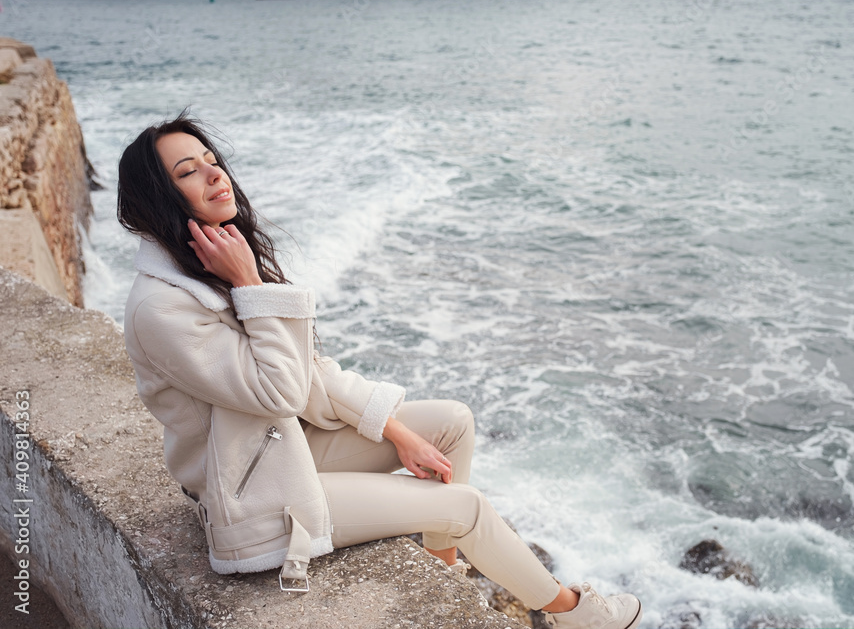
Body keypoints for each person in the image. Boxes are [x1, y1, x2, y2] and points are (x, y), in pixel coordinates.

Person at [116, 111, 642, 629]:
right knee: (467, 507)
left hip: (280, 447)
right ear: (159, 196)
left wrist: (395, 431)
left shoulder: (204, 263)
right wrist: (251, 286)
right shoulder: (161, 309)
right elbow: (280, 390)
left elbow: (311, 375)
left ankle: (441, 577)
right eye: (188, 171)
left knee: (451, 423)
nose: (215, 175)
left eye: (213, 160)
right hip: (254, 493)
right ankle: (578, 614)